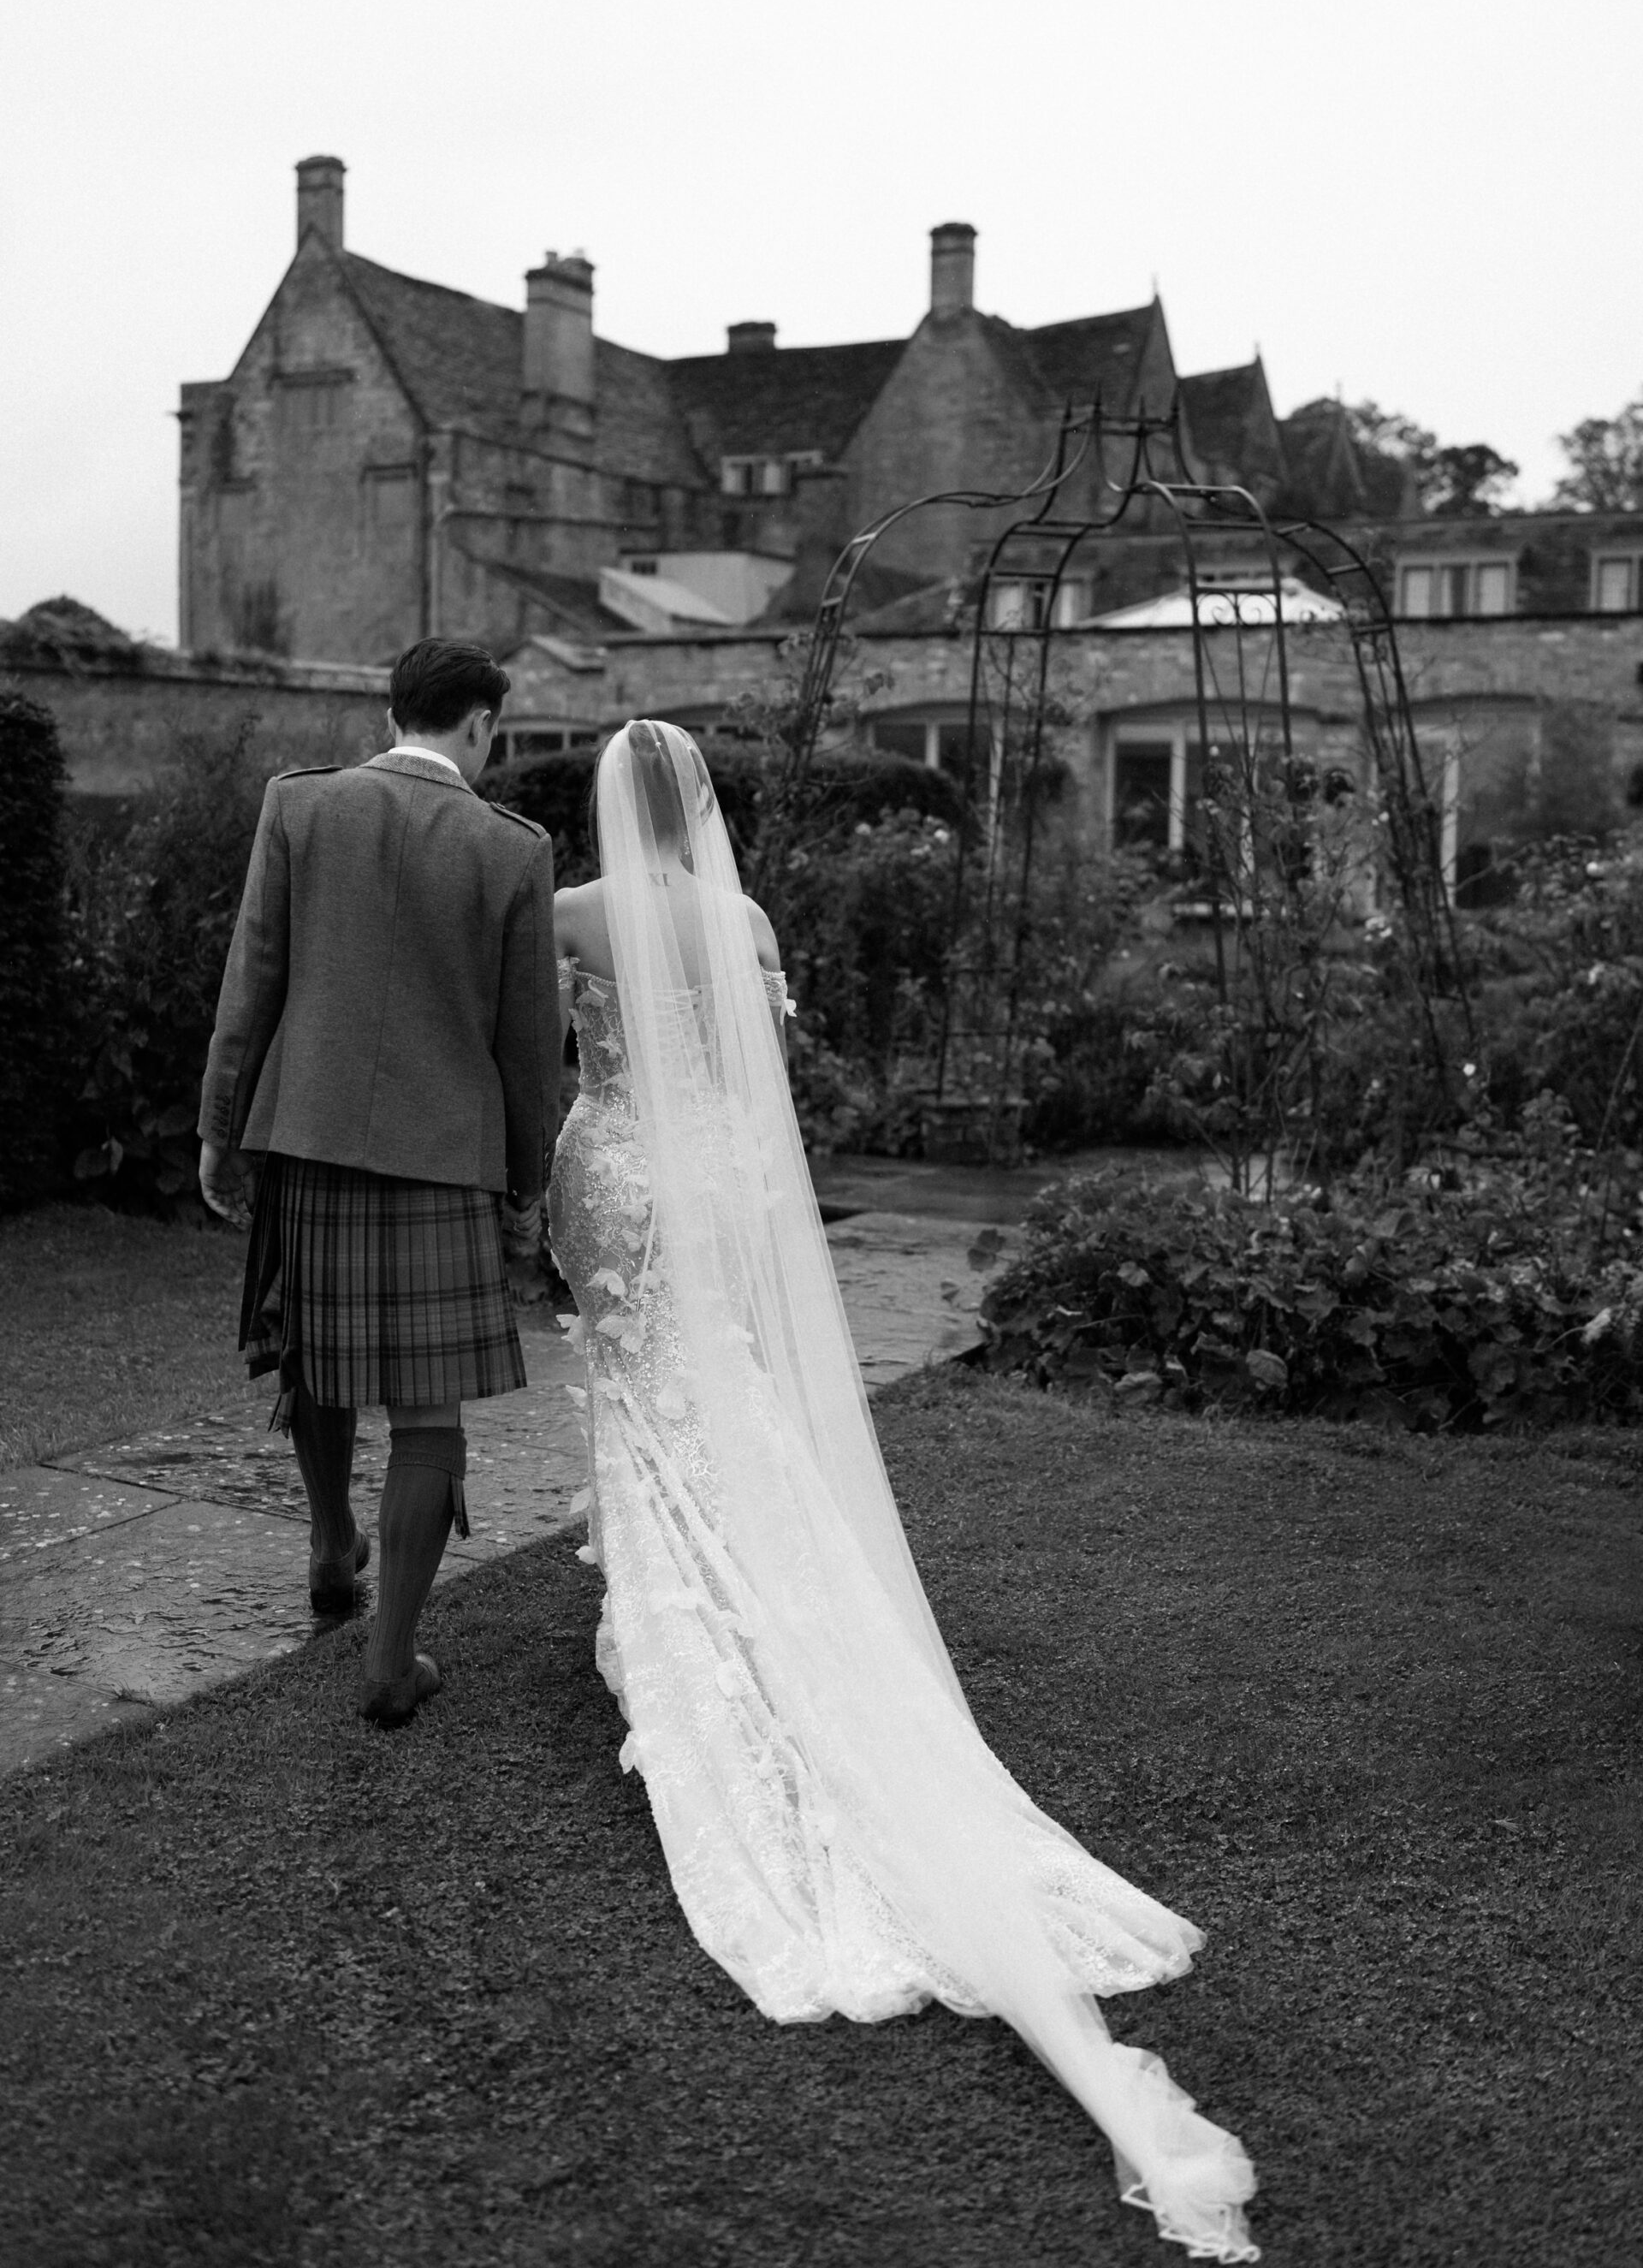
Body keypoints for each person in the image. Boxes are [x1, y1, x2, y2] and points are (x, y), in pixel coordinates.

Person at [547, 720, 1259, 2261]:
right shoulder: (737, 920)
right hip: (728, 1173)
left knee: (642, 1395)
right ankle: (743, 1591)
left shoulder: (568, 918)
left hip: (616, 1166)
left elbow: (559, 1054)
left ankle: (680, 1628)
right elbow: (766, 1071)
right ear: (706, 809)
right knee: (724, 1387)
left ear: (609, 803)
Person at [197, 639, 559, 1726]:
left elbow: (250, 980)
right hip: (443, 1158)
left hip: (305, 1139)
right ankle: (391, 1664)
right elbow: (528, 1048)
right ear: (482, 725)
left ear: (392, 708)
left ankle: (327, 1546)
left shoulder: (298, 807)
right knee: (427, 1412)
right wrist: (528, 1181)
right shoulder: (512, 848)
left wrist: (220, 1131)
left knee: (317, 1357)